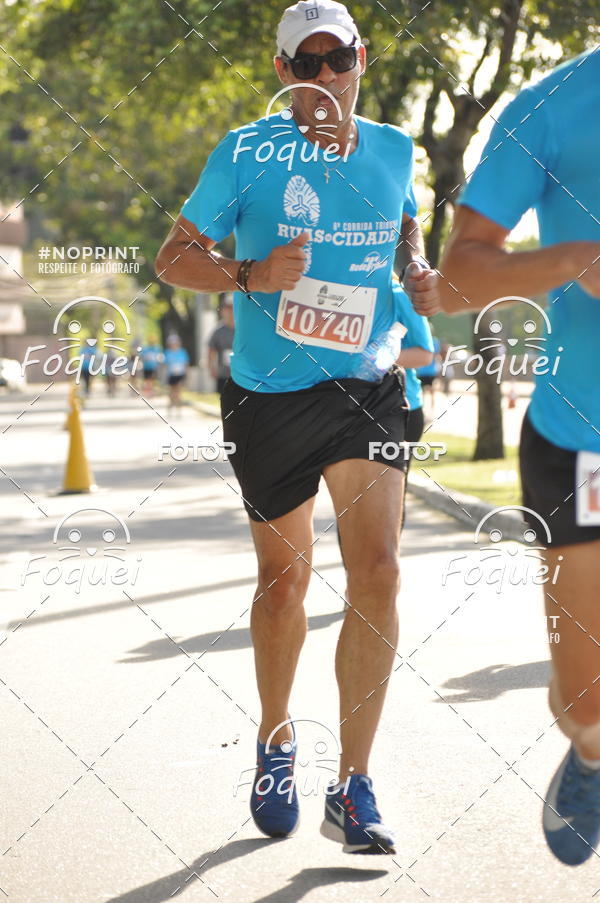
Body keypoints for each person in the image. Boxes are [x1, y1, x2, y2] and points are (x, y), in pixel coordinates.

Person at [156, 0, 439, 854]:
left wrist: (417, 270)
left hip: (367, 384)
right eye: (306, 64)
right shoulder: (244, 153)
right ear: (282, 74)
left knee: (380, 572)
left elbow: (405, 224)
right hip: (267, 395)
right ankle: (275, 740)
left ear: (363, 58)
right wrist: (248, 271)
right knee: (284, 586)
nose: (325, 79)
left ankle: (353, 785)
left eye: (338, 59)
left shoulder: (395, 147)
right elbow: (172, 257)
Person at [434, 48, 600, 866]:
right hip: (582, 439)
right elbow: (459, 278)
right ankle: (593, 749)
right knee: (587, 703)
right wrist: (575, 261)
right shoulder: (551, 105)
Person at [208, 296, 235, 393]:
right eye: (227, 308)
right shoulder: (217, 331)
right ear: (223, 311)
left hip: (241, 374)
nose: (230, 311)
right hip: (223, 374)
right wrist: (211, 368)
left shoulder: (243, 329)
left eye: (232, 308)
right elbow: (211, 350)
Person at [163, 335, 189, 413]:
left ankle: (178, 407)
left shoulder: (182, 352)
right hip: (171, 375)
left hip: (180, 374)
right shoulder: (167, 352)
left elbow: (186, 364)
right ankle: (171, 404)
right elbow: (165, 365)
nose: (174, 345)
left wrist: (187, 375)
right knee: (172, 391)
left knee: (178, 391)